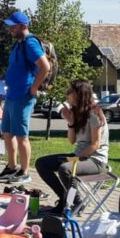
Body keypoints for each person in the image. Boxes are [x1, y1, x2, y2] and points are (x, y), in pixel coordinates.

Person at [35, 80, 109, 213]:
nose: (66, 94)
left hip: (95, 160)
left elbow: (95, 144)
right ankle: (64, 199)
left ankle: (76, 202)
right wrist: (70, 123)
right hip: (80, 156)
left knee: (65, 169)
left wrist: (74, 159)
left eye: (70, 91)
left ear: (80, 94)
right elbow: (72, 140)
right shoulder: (77, 112)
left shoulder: (94, 113)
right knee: (41, 163)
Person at [0, 11, 50, 183]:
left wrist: (34, 87)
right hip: (12, 95)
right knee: (7, 132)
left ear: (24, 26)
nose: (10, 29)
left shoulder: (30, 44)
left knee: (21, 136)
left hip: (23, 96)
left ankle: (25, 171)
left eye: (14, 26)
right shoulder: (18, 44)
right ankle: (12, 167)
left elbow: (45, 67)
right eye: (10, 25)